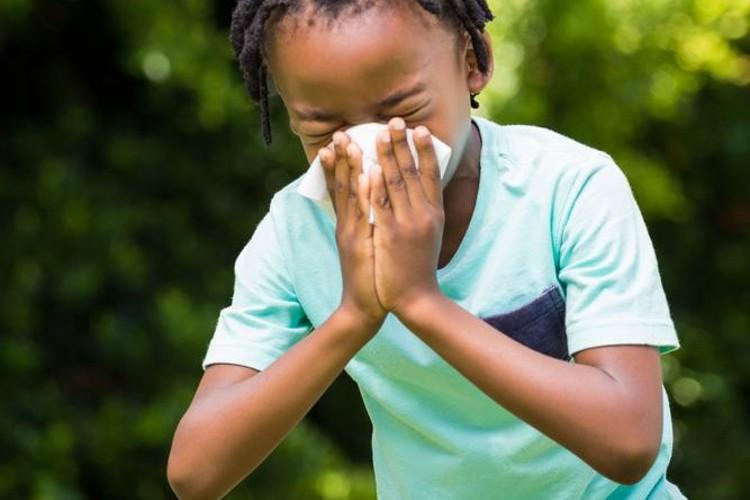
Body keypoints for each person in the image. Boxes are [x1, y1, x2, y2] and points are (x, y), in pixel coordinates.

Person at [167, 0, 688, 498]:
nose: (370, 149)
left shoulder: (568, 188)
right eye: (324, 130)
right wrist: (354, 316)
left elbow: (629, 441)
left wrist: (421, 302)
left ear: (474, 62)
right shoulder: (296, 231)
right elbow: (195, 473)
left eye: (404, 112)